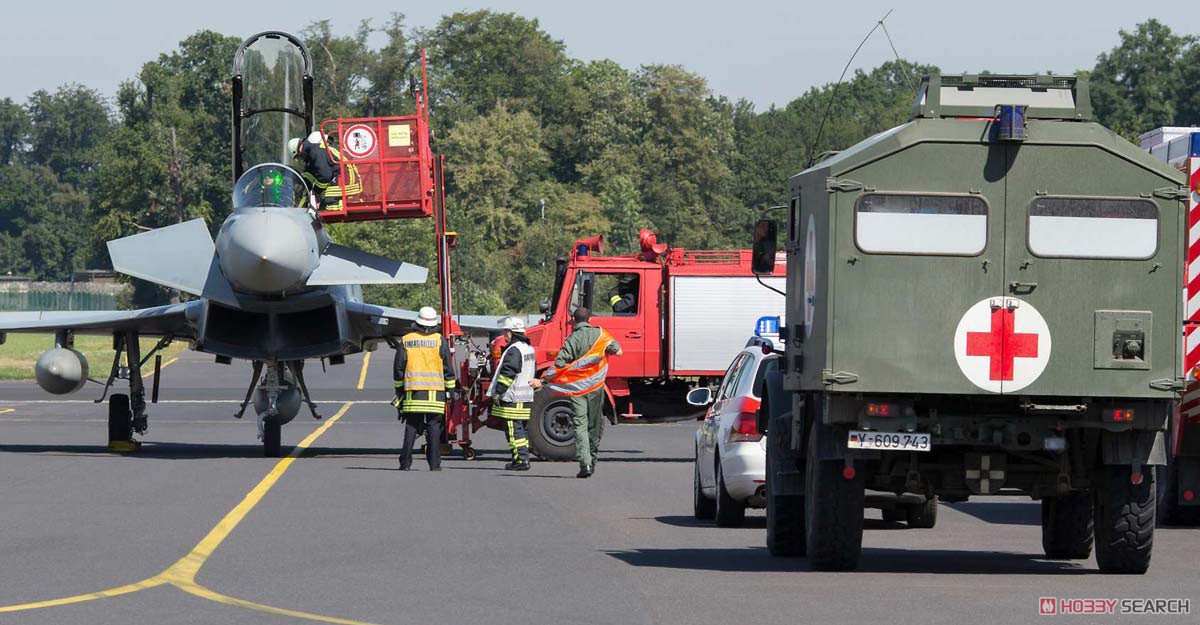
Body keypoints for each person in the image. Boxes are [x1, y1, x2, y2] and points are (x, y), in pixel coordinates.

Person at [543, 307, 622, 478]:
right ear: (589, 320)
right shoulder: (601, 335)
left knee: (580, 425)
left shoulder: (572, 339)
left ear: (573, 321)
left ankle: (584, 464)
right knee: (595, 424)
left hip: (577, 388)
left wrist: (544, 379)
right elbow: (618, 351)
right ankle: (592, 460)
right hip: (596, 387)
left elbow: (559, 363)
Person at [393, 306, 457, 471]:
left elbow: (399, 369)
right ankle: (435, 464)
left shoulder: (406, 340)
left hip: (413, 393)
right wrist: (451, 392)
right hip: (435, 395)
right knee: (434, 428)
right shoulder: (439, 340)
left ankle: (405, 463)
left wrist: (399, 391)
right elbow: (448, 369)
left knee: (411, 427)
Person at [487, 317, 541, 471]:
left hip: (513, 398)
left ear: (511, 333)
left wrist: (498, 393)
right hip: (526, 397)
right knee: (521, 430)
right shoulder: (528, 349)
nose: (504, 335)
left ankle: (520, 461)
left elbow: (507, 373)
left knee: (513, 431)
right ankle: (523, 458)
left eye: (506, 332)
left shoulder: (514, 350)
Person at [289, 132, 359, 211]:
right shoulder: (314, 149)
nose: (301, 159)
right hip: (344, 178)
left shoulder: (315, 152)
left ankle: (351, 203)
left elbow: (325, 176)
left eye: (298, 157)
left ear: (299, 149)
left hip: (347, 180)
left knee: (326, 205)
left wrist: (316, 191)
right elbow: (312, 173)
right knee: (324, 201)